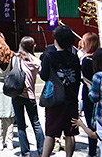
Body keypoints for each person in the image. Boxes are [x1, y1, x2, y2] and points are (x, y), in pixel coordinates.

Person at [40, 25, 81, 157]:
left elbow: (44, 76)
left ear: (56, 40)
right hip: (71, 98)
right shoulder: (74, 57)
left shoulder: (49, 56)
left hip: (55, 99)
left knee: (51, 132)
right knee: (70, 132)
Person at [12, 36, 44, 157]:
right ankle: (42, 151)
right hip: (30, 95)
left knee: (21, 124)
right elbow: (43, 73)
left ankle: (25, 151)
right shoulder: (36, 62)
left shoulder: (15, 59)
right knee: (36, 123)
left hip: (17, 93)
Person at [80, 32, 100, 157]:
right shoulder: (100, 57)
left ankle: (92, 151)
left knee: (91, 123)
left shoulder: (86, 60)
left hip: (90, 93)